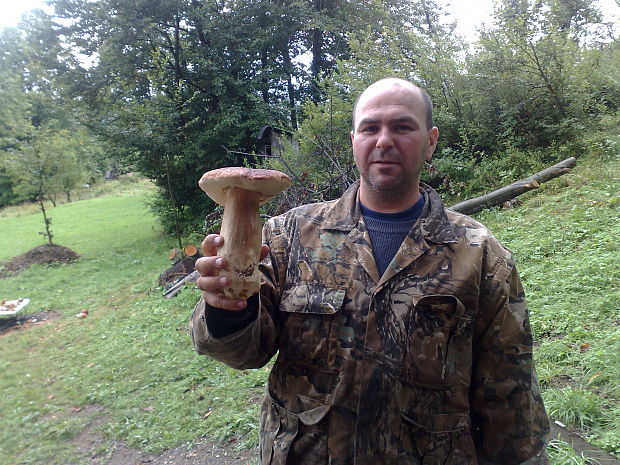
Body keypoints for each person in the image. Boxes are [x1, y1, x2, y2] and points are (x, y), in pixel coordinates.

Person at [189, 78, 550, 464]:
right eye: (370, 127)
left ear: (430, 142)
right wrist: (227, 310)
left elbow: (509, 387)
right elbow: (244, 353)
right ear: (354, 140)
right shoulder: (288, 235)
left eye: (402, 126)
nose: (383, 141)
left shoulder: (479, 253)